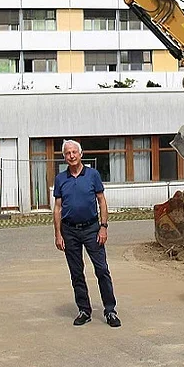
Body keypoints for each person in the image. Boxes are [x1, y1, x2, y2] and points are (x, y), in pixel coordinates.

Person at [53, 139, 121, 327]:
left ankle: (110, 310)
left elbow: (102, 201)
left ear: (81, 154)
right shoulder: (60, 179)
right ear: (64, 157)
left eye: (74, 152)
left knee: (102, 270)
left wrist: (103, 226)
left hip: (92, 229)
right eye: (68, 153)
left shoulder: (93, 175)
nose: (71, 156)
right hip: (69, 231)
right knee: (76, 272)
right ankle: (84, 310)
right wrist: (58, 234)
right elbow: (57, 208)